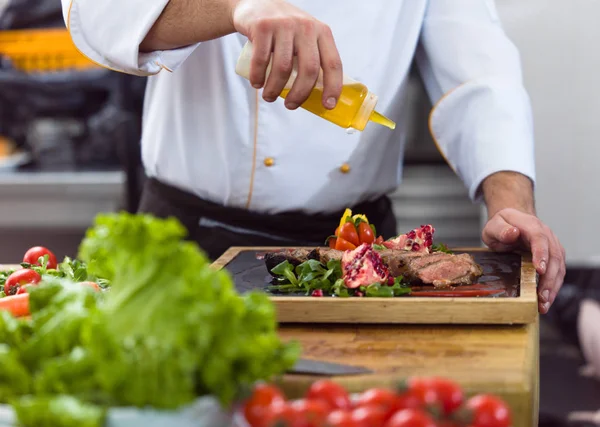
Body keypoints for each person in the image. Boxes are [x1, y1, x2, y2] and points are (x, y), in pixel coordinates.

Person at [60, 0, 565, 313]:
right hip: (192, 243)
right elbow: (99, 10)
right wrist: (236, 8)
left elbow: (480, 79)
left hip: (357, 254)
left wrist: (511, 202)